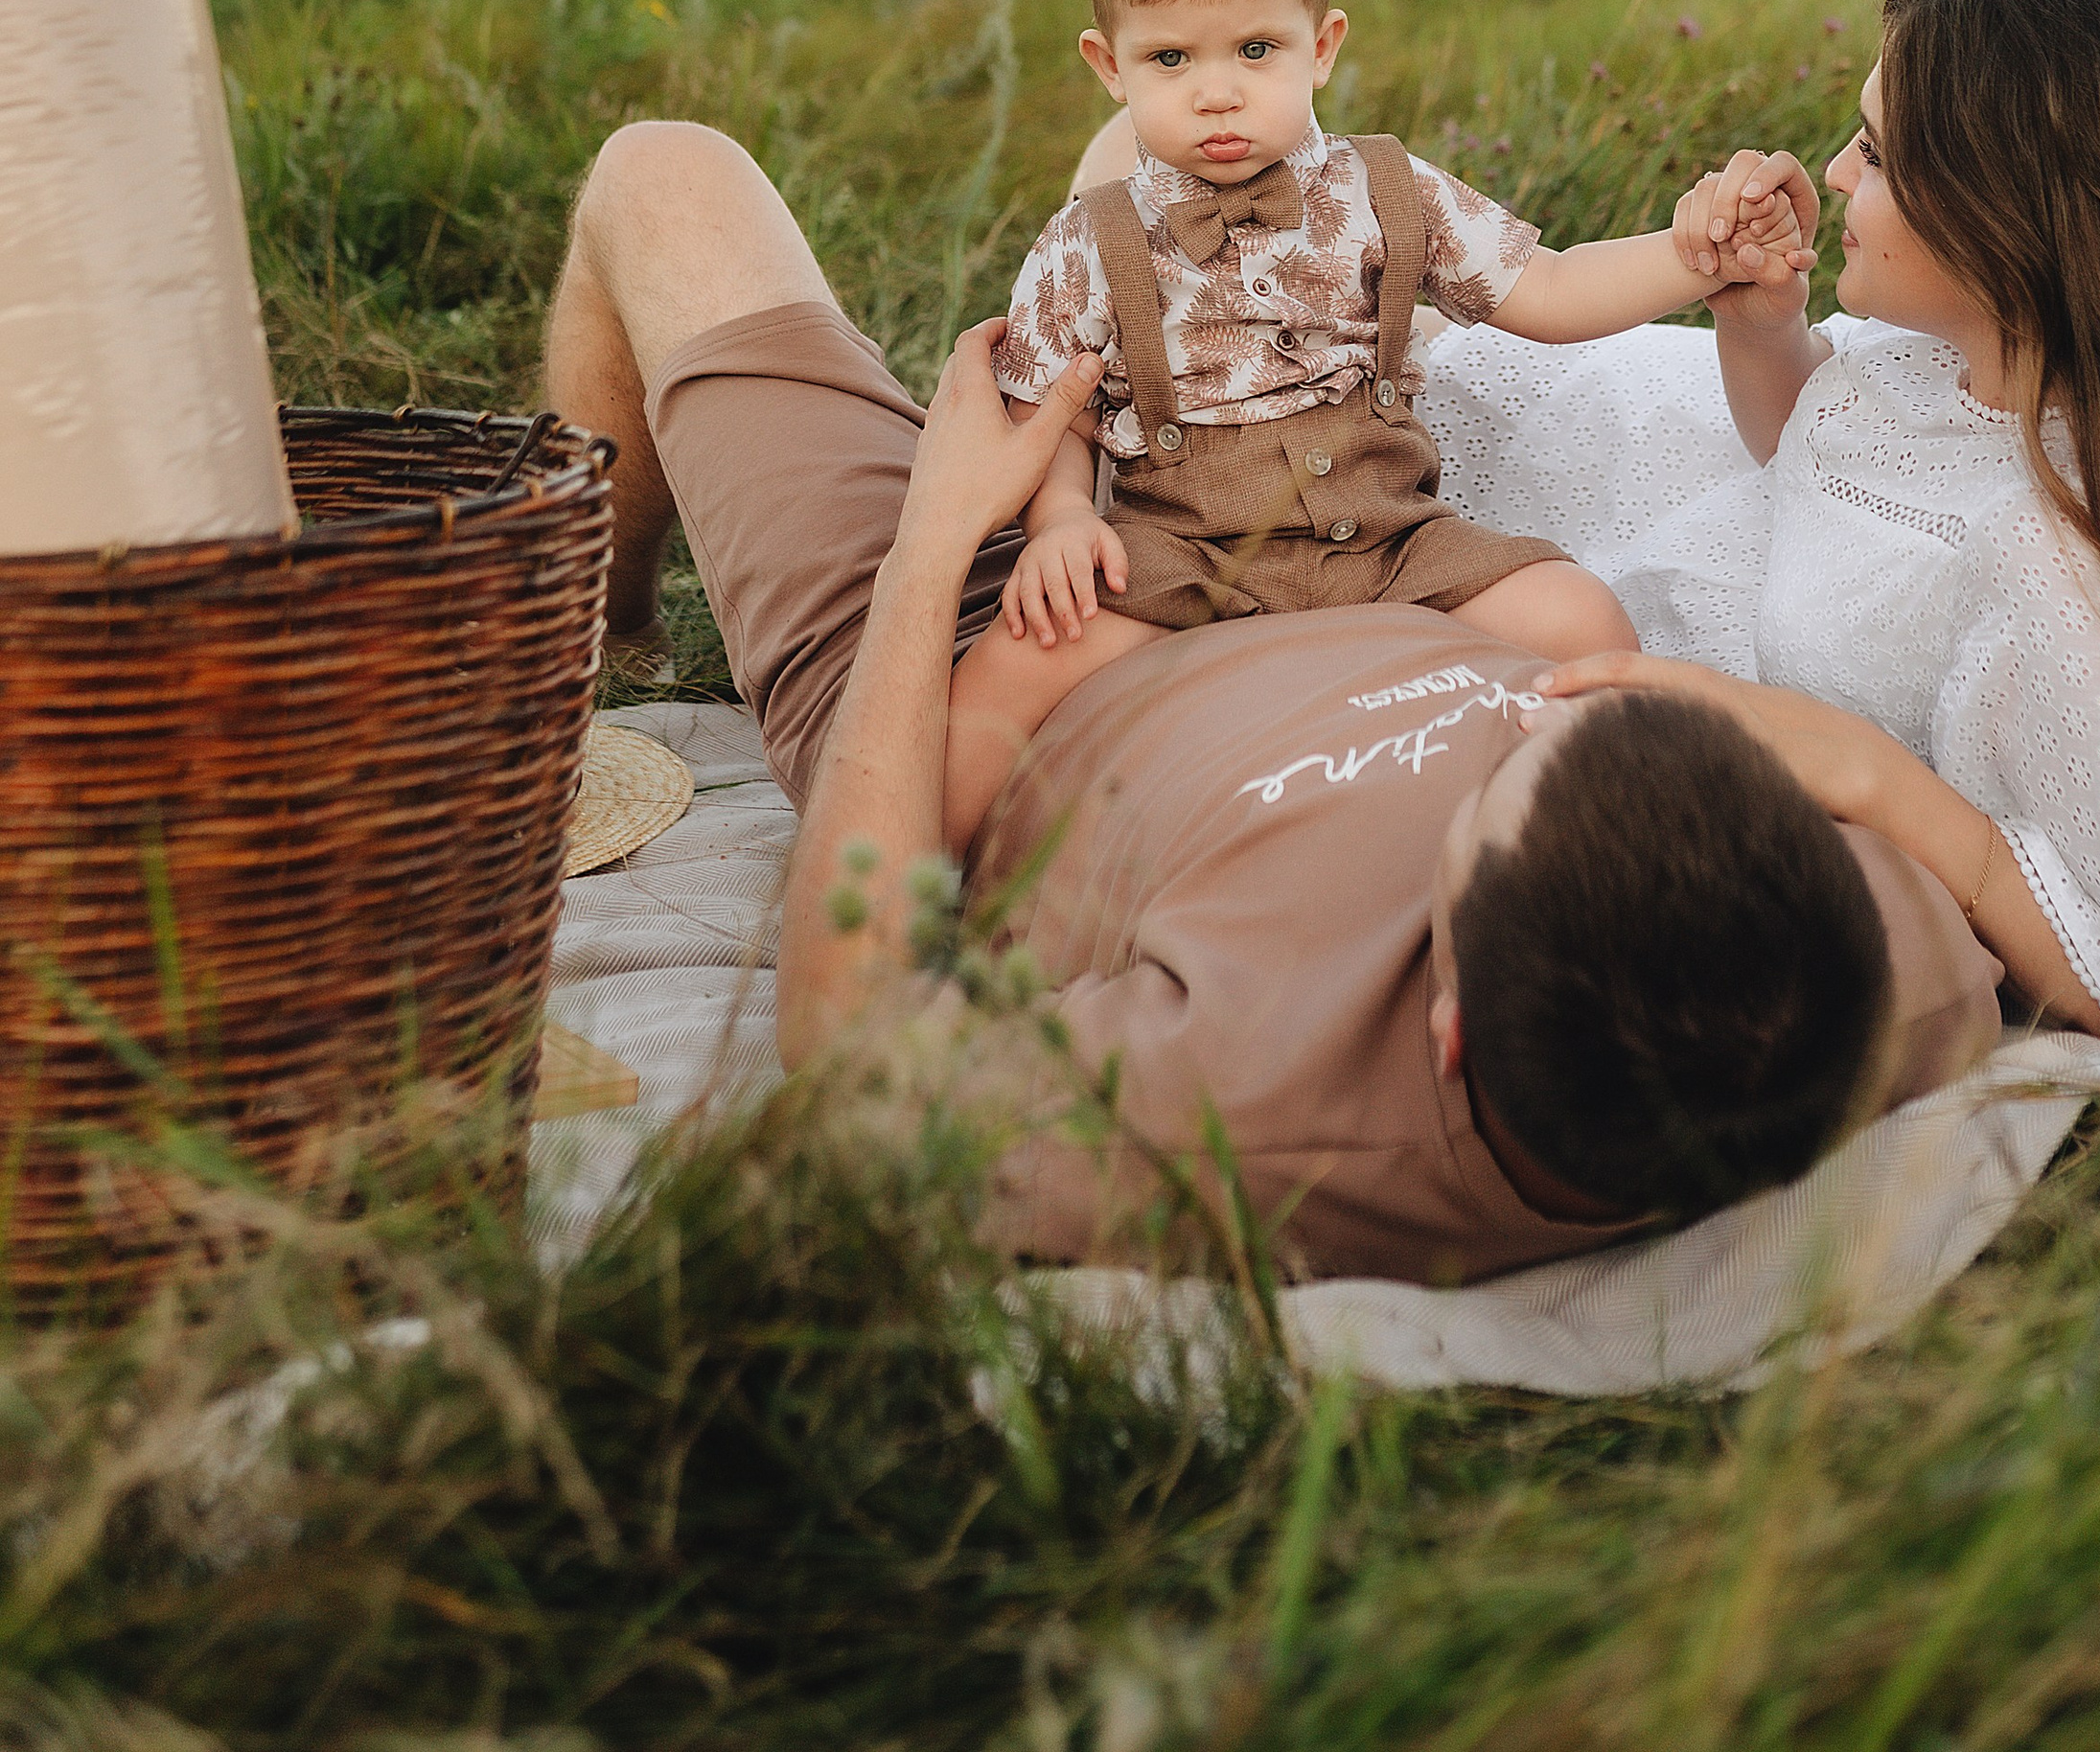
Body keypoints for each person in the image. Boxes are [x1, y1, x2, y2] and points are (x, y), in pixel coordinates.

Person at [542, 117, 2003, 1284]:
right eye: (1567, 709)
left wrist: (938, 540)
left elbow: (842, 1050)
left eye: (1513, 761)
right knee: (1143, 154)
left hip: (992, 673)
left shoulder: (1234, 1112)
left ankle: (601, 613)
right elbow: (2046, 927)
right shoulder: (1843, 974)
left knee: (665, 175)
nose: (1530, 710)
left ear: (1443, 1027)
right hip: (1288, 536)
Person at [1420, 0, 2100, 1050]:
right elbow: (1826, 456)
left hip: (1650, 573)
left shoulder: (2063, 567)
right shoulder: (1987, 366)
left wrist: (1871, 777)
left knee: (1329, 460)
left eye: (1875, 151)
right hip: (1669, 458)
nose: (1837, 174)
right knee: (1376, 362)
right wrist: (1762, 331)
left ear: (2013, 227)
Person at [947, 0, 1805, 843]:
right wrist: (1059, 523)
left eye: (1255, 49)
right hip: (1182, 551)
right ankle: (920, 898)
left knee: (1578, 618)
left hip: (1386, 535)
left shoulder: (1387, 192)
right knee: (1006, 668)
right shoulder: (1085, 239)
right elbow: (1052, 407)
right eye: (1169, 58)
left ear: (1323, 44)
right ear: (1108, 64)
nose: (1214, 90)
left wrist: (1694, 256)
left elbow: (1552, 289)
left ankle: (1598, 842)